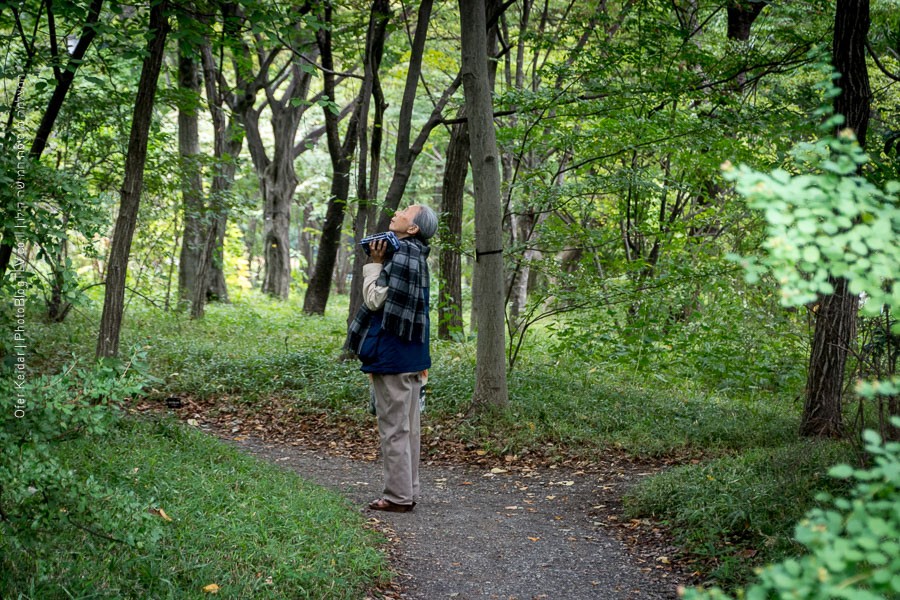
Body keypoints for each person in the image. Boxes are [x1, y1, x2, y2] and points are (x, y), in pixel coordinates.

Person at [346, 204, 438, 513]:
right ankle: (407, 490)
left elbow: (374, 300)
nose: (398, 212)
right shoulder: (416, 256)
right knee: (408, 427)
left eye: (406, 211)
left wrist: (374, 263)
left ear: (412, 228)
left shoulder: (400, 257)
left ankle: (398, 498)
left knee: (394, 428)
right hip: (412, 354)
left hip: (393, 353)